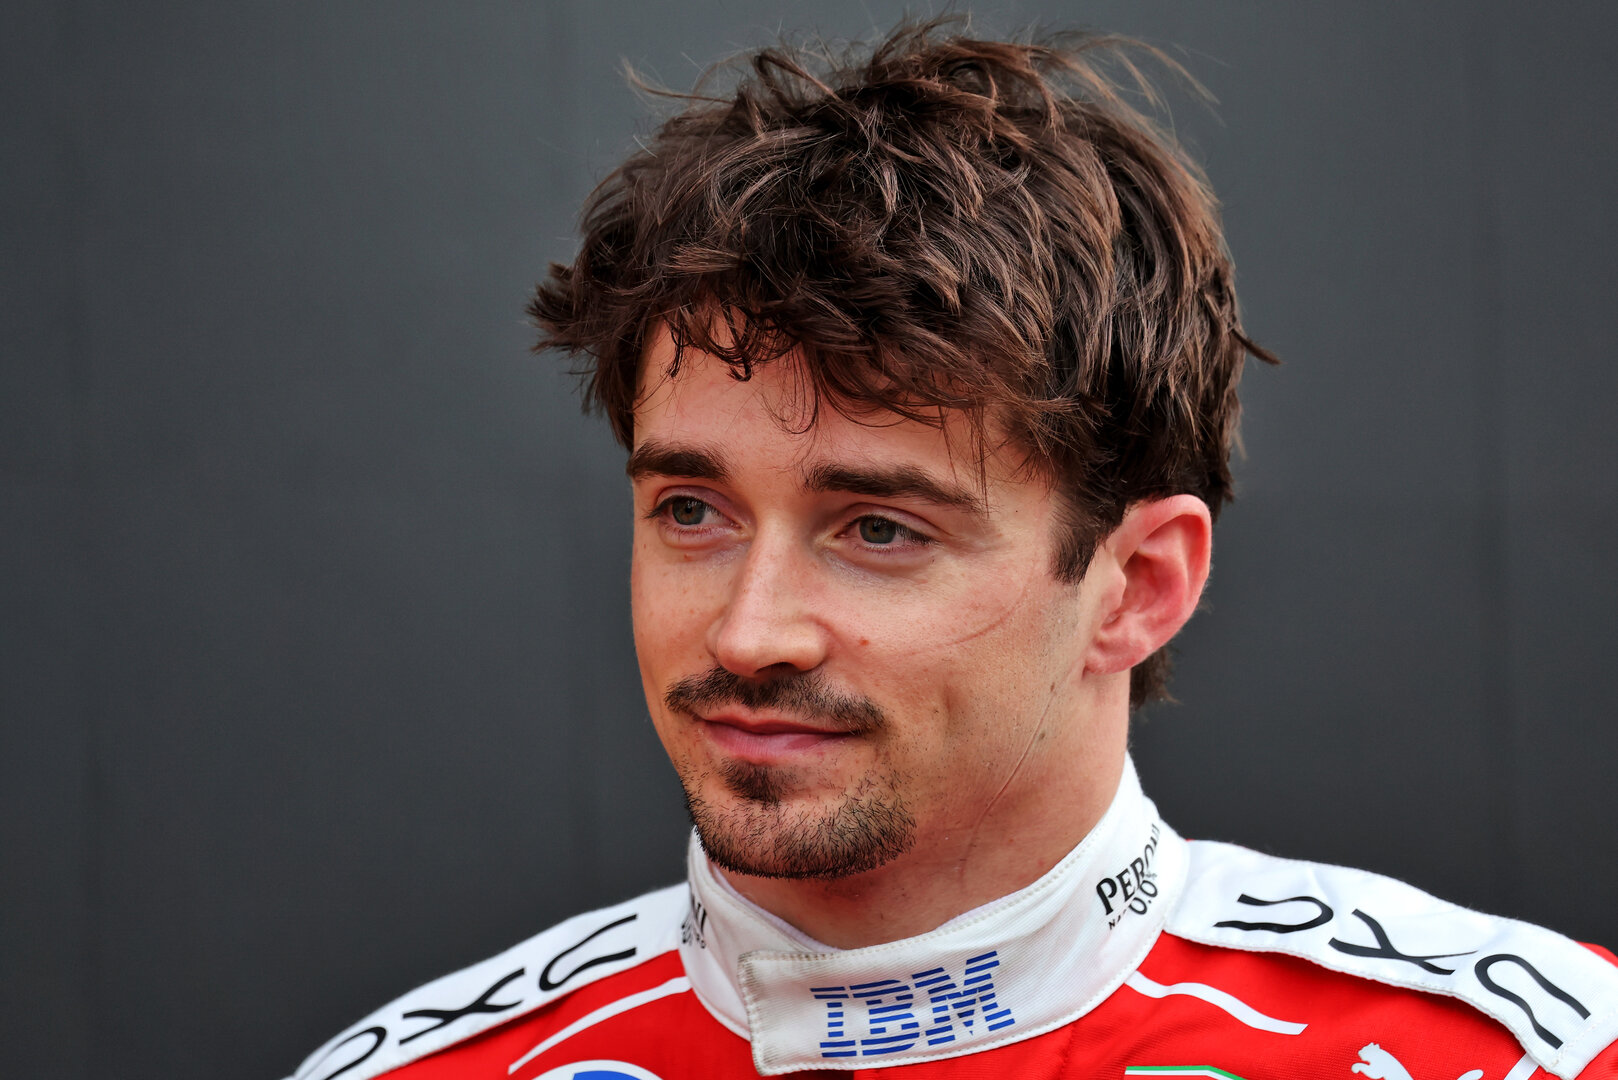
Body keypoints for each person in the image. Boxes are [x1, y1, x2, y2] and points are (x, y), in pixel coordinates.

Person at [283, 21, 1618, 1080]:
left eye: (877, 528)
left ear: (1137, 586)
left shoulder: (1526, 1056)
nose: (749, 632)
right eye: (692, 510)